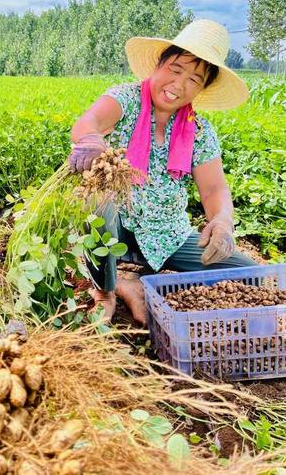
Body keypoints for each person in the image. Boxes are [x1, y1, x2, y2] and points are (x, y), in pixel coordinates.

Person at [68, 19, 257, 325]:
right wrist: (91, 139)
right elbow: (89, 121)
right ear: (159, 64)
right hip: (117, 228)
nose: (179, 85)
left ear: (203, 88)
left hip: (167, 235)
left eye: (194, 79)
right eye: (176, 69)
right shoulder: (125, 99)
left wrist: (222, 220)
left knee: (248, 275)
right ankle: (106, 290)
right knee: (97, 202)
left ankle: (135, 281)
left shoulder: (199, 130)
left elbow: (214, 191)